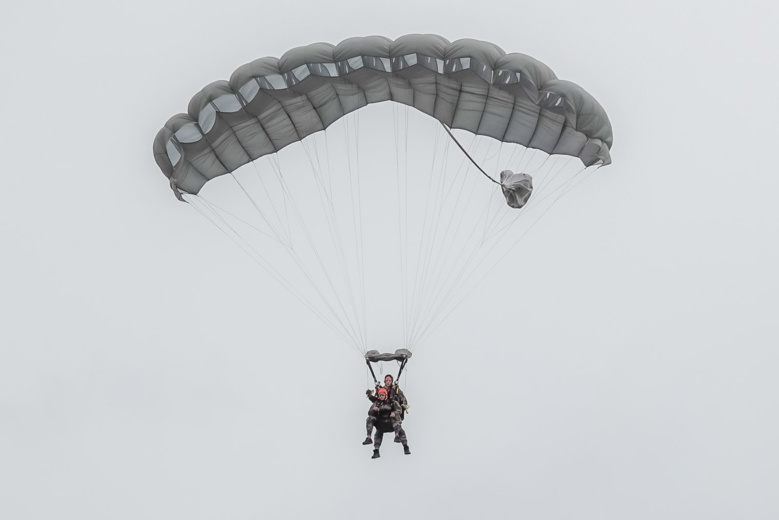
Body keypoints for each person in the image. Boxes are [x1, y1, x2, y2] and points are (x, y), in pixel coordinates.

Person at [363, 388, 410, 458]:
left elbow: (399, 410)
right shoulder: (377, 403)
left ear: (386, 395)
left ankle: (401, 441)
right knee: (370, 419)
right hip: (381, 424)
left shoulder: (392, 402)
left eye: (383, 395)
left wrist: (394, 413)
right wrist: (374, 410)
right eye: (380, 395)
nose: (381, 396)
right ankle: (371, 441)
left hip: (391, 423)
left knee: (398, 422)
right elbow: (370, 413)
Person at [365, 374, 409, 442]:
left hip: (393, 412)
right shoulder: (381, 391)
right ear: (384, 381)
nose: (388, 382)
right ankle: (369, 438)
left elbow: (403, 399)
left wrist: (403, 405)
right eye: (386, 380)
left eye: (389, 380)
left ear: (392, 381)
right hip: (381, 416)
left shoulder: (395, 390)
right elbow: (377, 401)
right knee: (374, 425)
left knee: (398, 425)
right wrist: (370, 396)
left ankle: (398, 437)